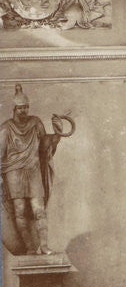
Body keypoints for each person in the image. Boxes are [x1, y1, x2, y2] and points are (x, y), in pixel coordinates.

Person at [1, 84, 71, 255]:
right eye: (20, 108)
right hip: (14, 171)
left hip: (33, 170)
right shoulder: (5, 128)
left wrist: (57, 133)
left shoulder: (35, 123)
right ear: (14, 109)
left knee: (38, 209)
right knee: (19, 211)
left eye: (26, 107)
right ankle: (30, 248)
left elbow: (44, 147)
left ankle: (44, 246)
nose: (24, 110)